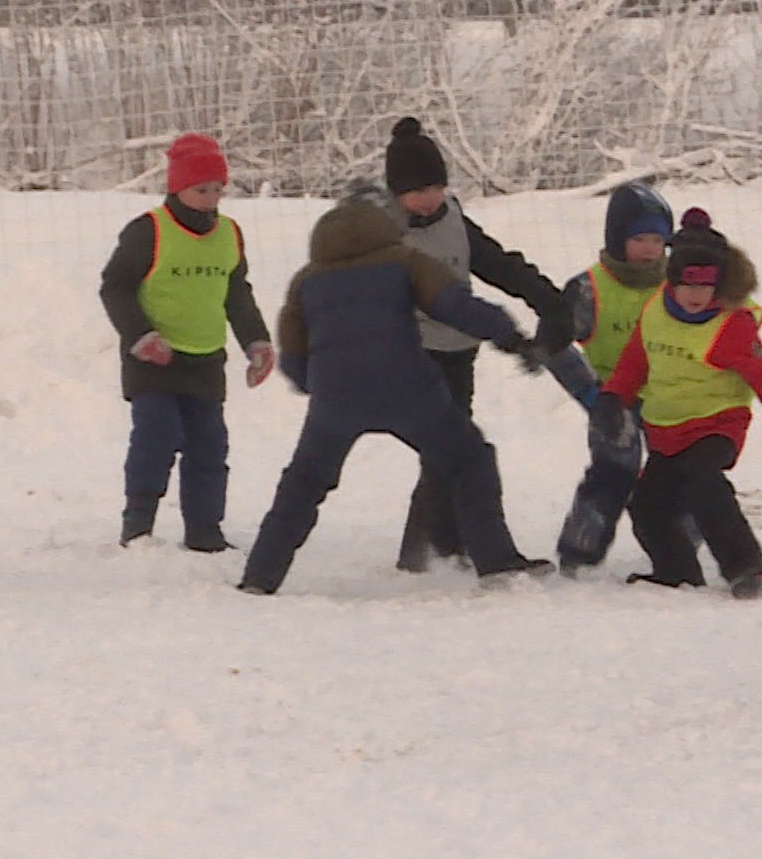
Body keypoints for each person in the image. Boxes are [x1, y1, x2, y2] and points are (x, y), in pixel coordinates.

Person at [237, 199, 547, 595]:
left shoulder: (305, 280)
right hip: (408, 389)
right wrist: (509, 336)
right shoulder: (404, 260)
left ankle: (260, 578)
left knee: (304, 482)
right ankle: (496, 561)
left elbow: (294, 353)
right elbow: (454, 304)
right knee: (469, 459)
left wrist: (319, 388)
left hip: (335, 401)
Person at [596, 209, 762, 600]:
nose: (697, 295)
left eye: (706, 286)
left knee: (704, 483)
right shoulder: (655, 310)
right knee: (646, 507)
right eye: (687, 285)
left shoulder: (731, 325)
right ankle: (677, 571)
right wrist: (612, 398)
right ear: (672, 280)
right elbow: (634, 363)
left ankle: (746, 567)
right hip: (665, 428)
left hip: (716, 424)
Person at [366, 118, 574, 573]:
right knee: (457, 449)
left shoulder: (455, 219)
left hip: (458, 352)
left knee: (447, 451)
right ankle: (471, 555)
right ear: (396, 193)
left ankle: (433, 549)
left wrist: (548, 300)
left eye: (434, 187)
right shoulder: (381, 230)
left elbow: (498, 264)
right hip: (411, 354)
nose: (426, 199)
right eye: (415, 191)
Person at [99, 133, 272, 552]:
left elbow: (237, 293)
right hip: (154, 360)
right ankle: (137, 527)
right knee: (156, 438)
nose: (211, 199)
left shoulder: (230, 233)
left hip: (205, 359)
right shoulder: (148, 231)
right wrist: (141, 336)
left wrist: (256, 342)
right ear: (177, 188)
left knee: (209, 446)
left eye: (218, 189)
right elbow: (115, 287)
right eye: (201, 190)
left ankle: (204, 532)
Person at [549, 181, 679, 577]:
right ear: (617, 238)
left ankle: (679, 549)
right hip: (611, 398)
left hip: (667, 396)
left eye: (657, 240)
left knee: (679, 470)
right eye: (639, 238)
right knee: (614, 468)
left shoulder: (677, 285)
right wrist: (590, 393)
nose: (649, 249)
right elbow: (553, 344)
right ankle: (580, 549)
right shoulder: (589, 288)